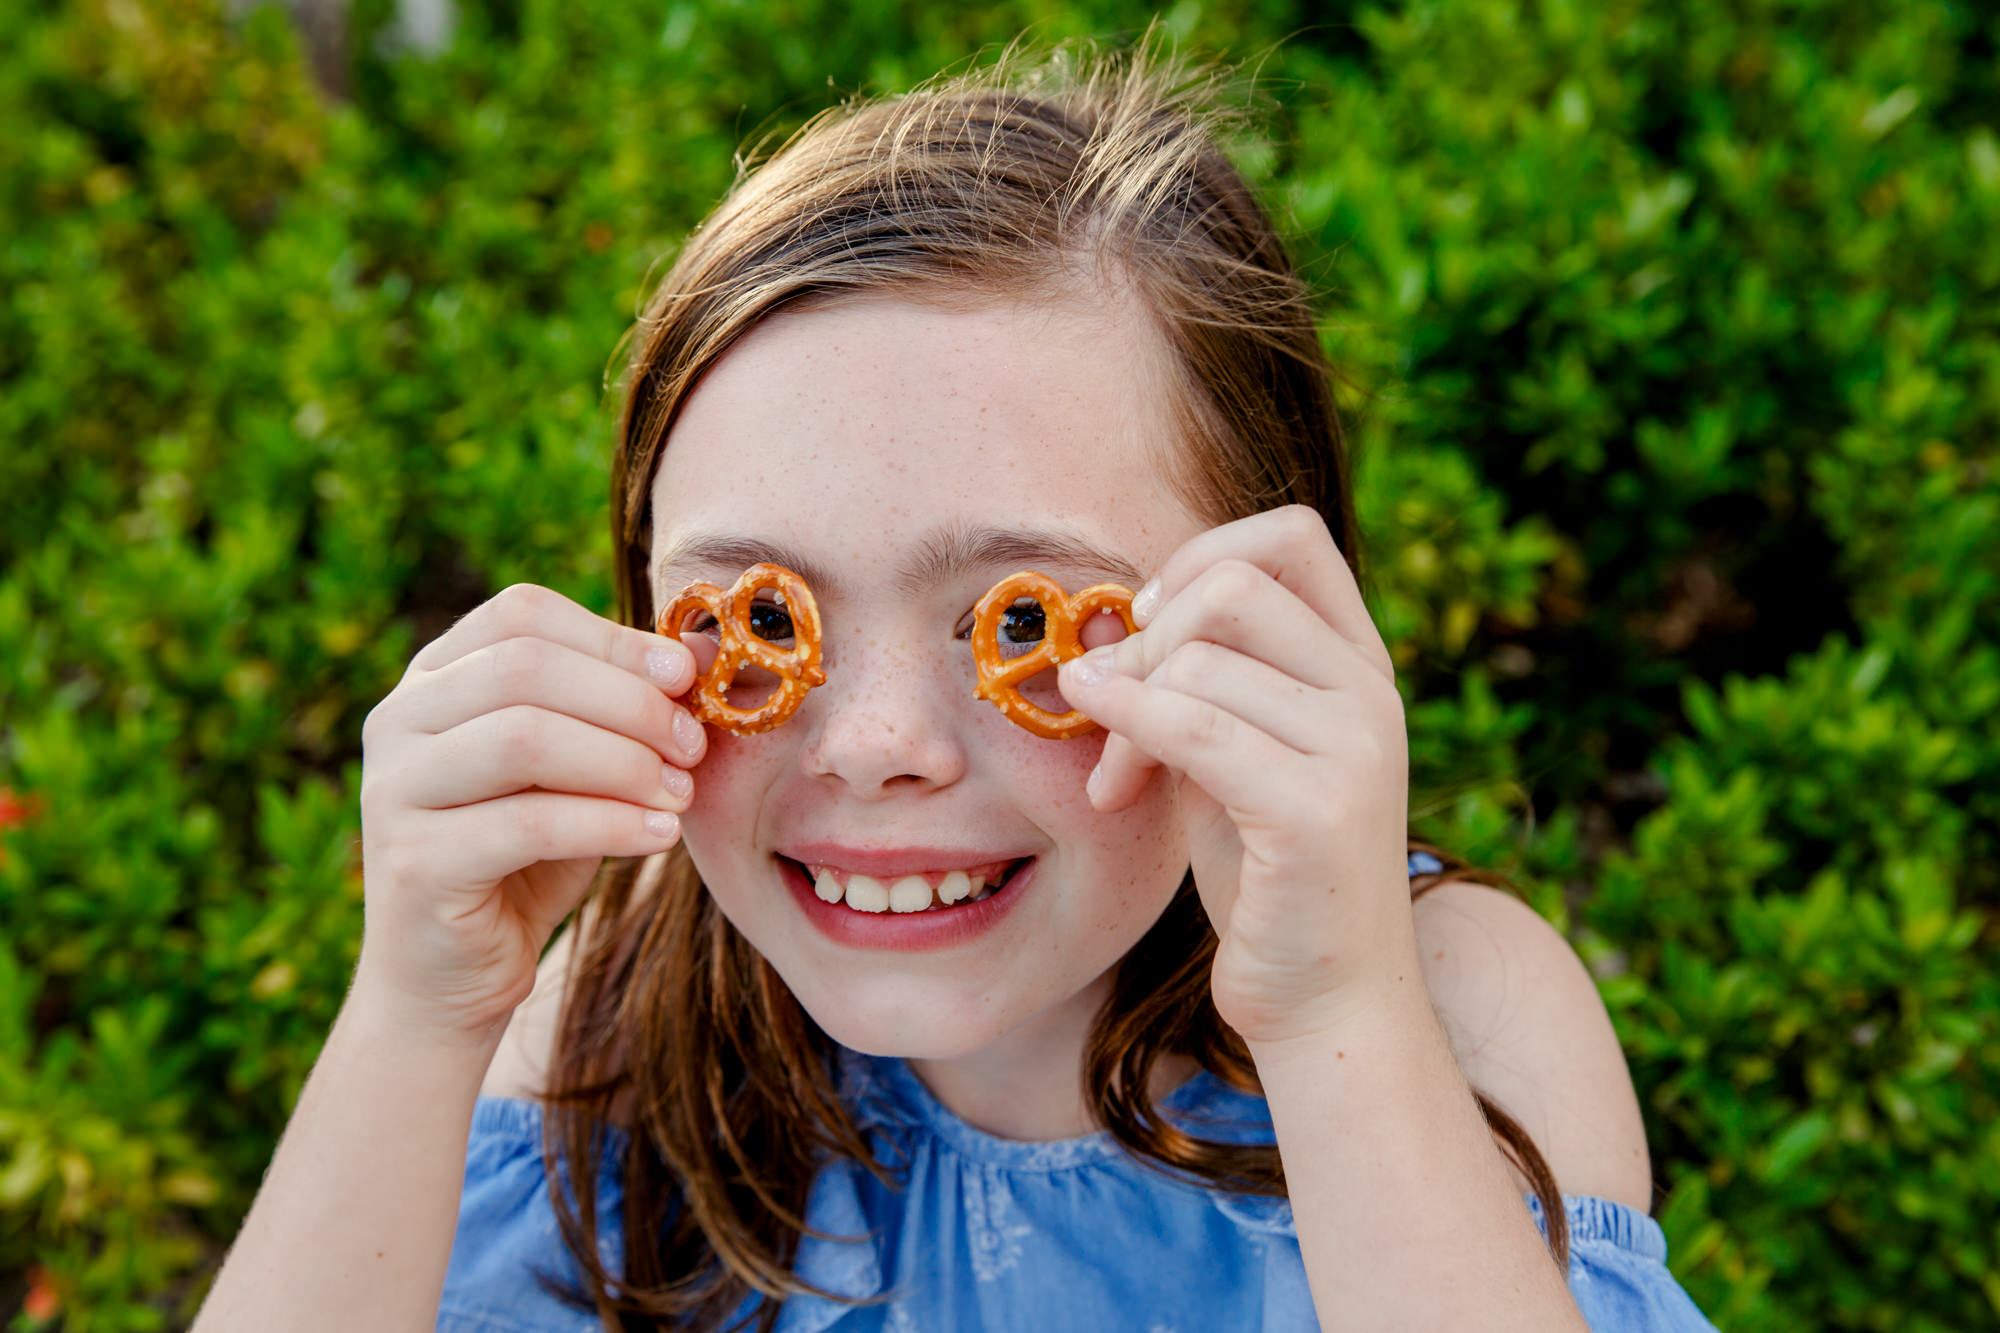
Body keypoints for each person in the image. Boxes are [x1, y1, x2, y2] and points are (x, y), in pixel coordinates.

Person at [191, 39, 1719, 1333]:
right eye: (757, 621)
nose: (876, 746)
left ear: (1271, 626)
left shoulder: (1451, 1001)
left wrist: (1332, 1011)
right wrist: (410, 1015)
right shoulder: (616, 1021)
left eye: (1026, 621)